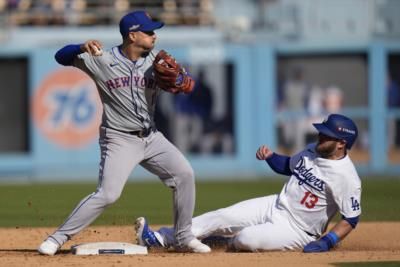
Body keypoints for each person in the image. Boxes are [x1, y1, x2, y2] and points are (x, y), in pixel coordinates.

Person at [37, 10, 211, 255]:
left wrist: (182, 81)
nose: (154, 36)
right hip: (119, 138)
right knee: (108, 194)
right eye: (149, 32)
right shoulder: (101, 60)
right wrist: (80, 46)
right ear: (132, 35)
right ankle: (56, 238)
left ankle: (183, 236)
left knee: (185, 174)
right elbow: (60, 56)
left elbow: (187, 84)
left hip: (152, 137)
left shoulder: (156, 63)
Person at [135, 114, 362, 252]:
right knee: (221, 216)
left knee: (246, 238)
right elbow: (288, 166)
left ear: (341, 143)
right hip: (275, 205)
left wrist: (328, 241)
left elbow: (351, 218)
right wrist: (271, 157)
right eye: (321, 132)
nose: (320, 137)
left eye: (326, 135)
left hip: (297, 229)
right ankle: (160, 238)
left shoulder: (346, 177)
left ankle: (225, 242)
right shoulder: (312, 150)